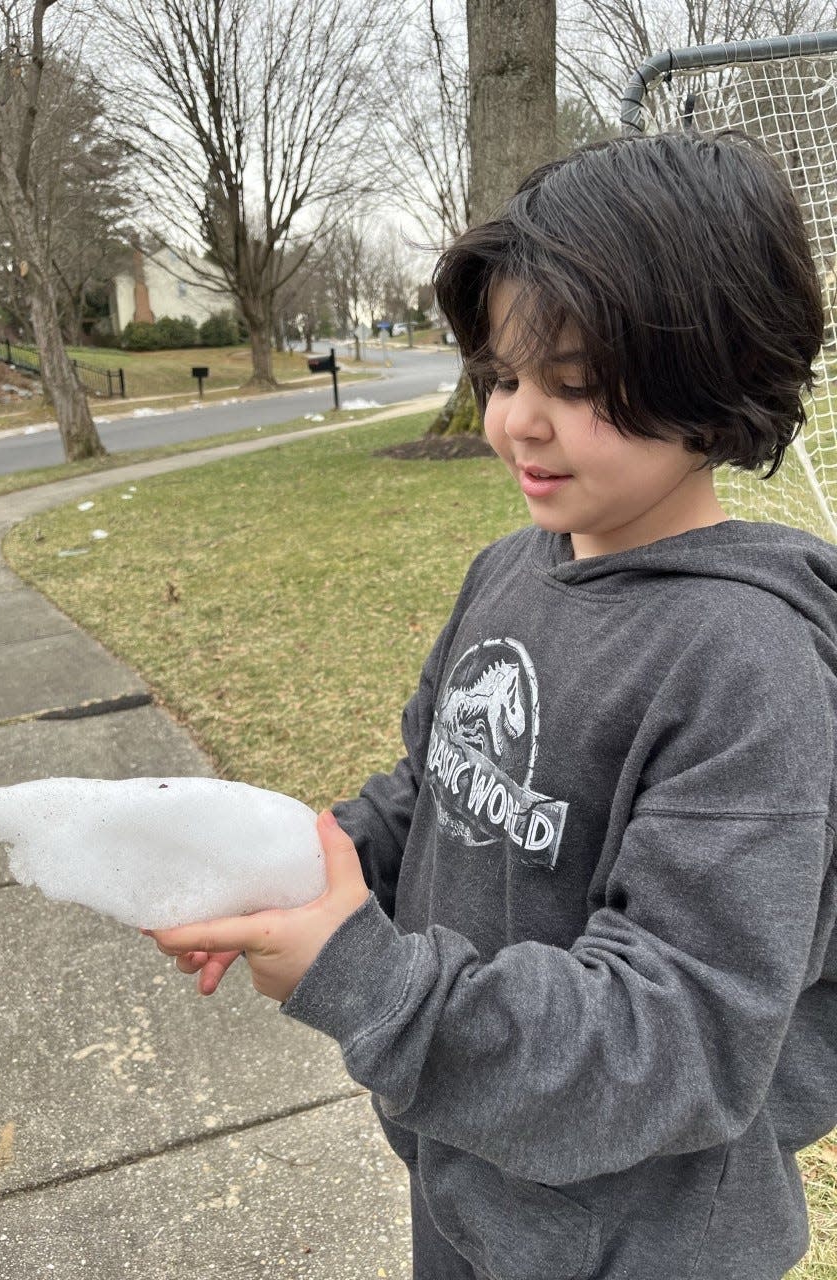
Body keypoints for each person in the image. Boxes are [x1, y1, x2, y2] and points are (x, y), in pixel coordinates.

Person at [144, 130, 837, 1279]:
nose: (517, 418)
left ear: (713, 382)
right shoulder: (512, 570)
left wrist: (369, 982)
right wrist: (298, 864)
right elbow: (438, 787)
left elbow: (680, 1034)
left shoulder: (747, 669)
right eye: (506, 375)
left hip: (641, 1236)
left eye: (574, 384)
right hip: (473, 1162)